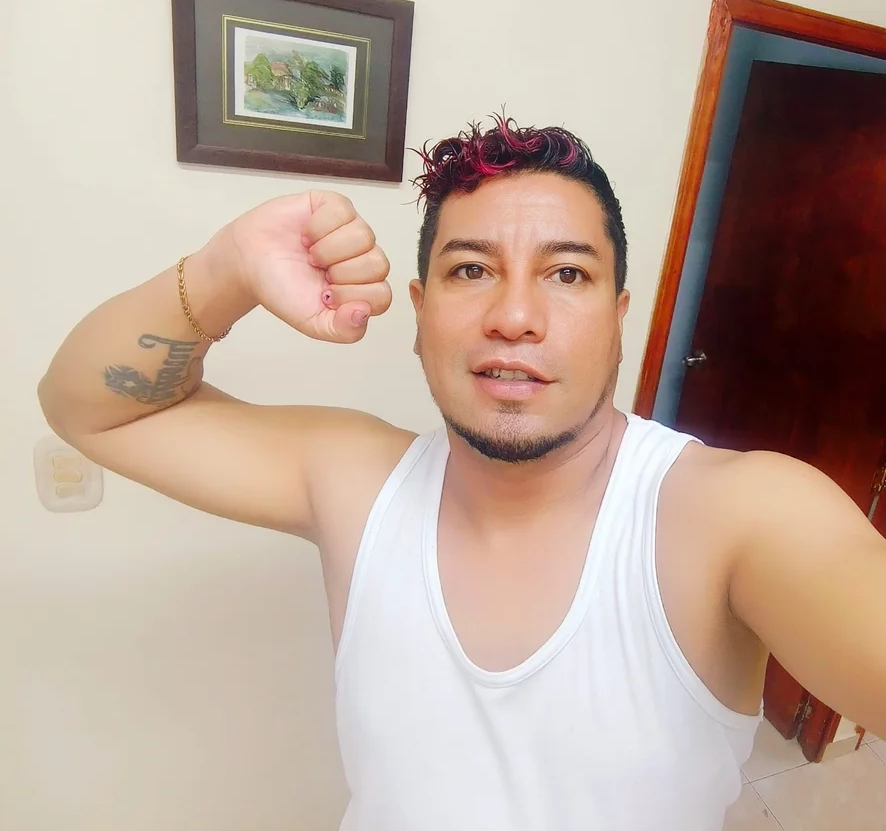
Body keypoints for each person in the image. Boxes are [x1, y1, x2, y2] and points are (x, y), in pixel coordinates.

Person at [38, 116, 885, 830]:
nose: (514, 316)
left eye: (567, 273)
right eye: (471, 270)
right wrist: (225, 268)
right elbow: (93, 407)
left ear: (618, 318)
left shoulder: (731, 515)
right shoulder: (356, 483)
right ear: (420, 314)